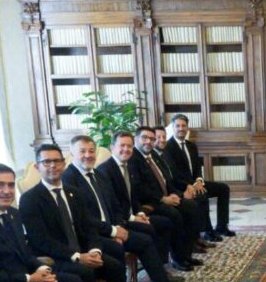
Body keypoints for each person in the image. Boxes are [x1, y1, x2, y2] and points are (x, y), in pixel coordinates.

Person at [19, 143, 139, 282]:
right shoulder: (30, 199)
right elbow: (40, 241)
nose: (53, 166)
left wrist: (94, 250)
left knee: (113, 265)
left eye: (57, 161)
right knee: (84, 273)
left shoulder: (74, 193)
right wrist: (76, 256)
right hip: (55, 258)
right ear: (38, 167)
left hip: (82, 252)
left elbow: (89, 228)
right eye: (47, 162)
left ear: (64, 164)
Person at [62, 135, 194, 282]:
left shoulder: (97, 174)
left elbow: (114, 205)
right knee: (118, 248)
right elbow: (82, 220)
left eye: (91, 151)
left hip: (112, 226)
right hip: (90, 236)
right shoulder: (68, 179)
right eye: (82, 151)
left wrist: (118, 227)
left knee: (145, 239)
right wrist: (112, 232)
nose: (88, 155)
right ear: (72, 153)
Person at [132, 127, 205, 270]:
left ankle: (186, 254)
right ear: (136, 139)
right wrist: (162, 198)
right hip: (150, 202)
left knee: (192, 206)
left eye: (152, 139)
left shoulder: (153, 154)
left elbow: (167, 178)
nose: (149, 142)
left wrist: (176, 194)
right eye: (144, 138)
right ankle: (176, 258)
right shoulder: (134, 159)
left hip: (167, 196)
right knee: (174, 215)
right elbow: (139, 188)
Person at [97, 131, 175, 265]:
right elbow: (113, 204)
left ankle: (162, 265)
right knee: (149, 230)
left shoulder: (128, 166)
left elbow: (133, 196)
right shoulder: (105, 170)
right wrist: (134, 218)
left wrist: (140, 212)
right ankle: (156, 271)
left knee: (164, 223)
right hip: (120, 220)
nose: (126, 150)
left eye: (129, 146)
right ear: (112, 148)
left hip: (132, 215)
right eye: (122, 146)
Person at [163, 114, 235, 241]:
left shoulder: (192, 146)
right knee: (202, 195)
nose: (181, 128)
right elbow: (174, 174)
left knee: (223, 188)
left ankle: (222, 226)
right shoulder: (168, 147)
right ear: (173, 128)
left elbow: (197, 168)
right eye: (178, 126)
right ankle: (207, 231)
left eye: (183, 125)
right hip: (181, 186)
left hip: (195, 183)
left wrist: (199, 181)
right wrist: (189, 186)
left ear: (187, 127)